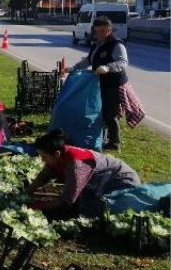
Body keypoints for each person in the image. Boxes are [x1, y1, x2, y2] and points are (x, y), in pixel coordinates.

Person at [26, 129, 140, 218]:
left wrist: (38, 207)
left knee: (93, 212)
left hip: (122, 182)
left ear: (56, 154)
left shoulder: (76, 165)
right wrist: (26, 192)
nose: (42, 160)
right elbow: (44, 176)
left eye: (44, 157)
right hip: (101, 180)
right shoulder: (59, 154)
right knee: (83, 202)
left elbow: (67, 200)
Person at [69, 16, 144, 151]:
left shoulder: (117, 44)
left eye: (105, 30)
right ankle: (103, 136)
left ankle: (115, 143)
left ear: (110, 30)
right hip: (100, 83)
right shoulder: (96, 44)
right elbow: (88, 61)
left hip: (114, 84)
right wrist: (73, 68)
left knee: (110, 113)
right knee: (100, 111)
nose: (101, 33)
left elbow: (122, 62)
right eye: (98, 31)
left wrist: (108, 67)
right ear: (94, 30)